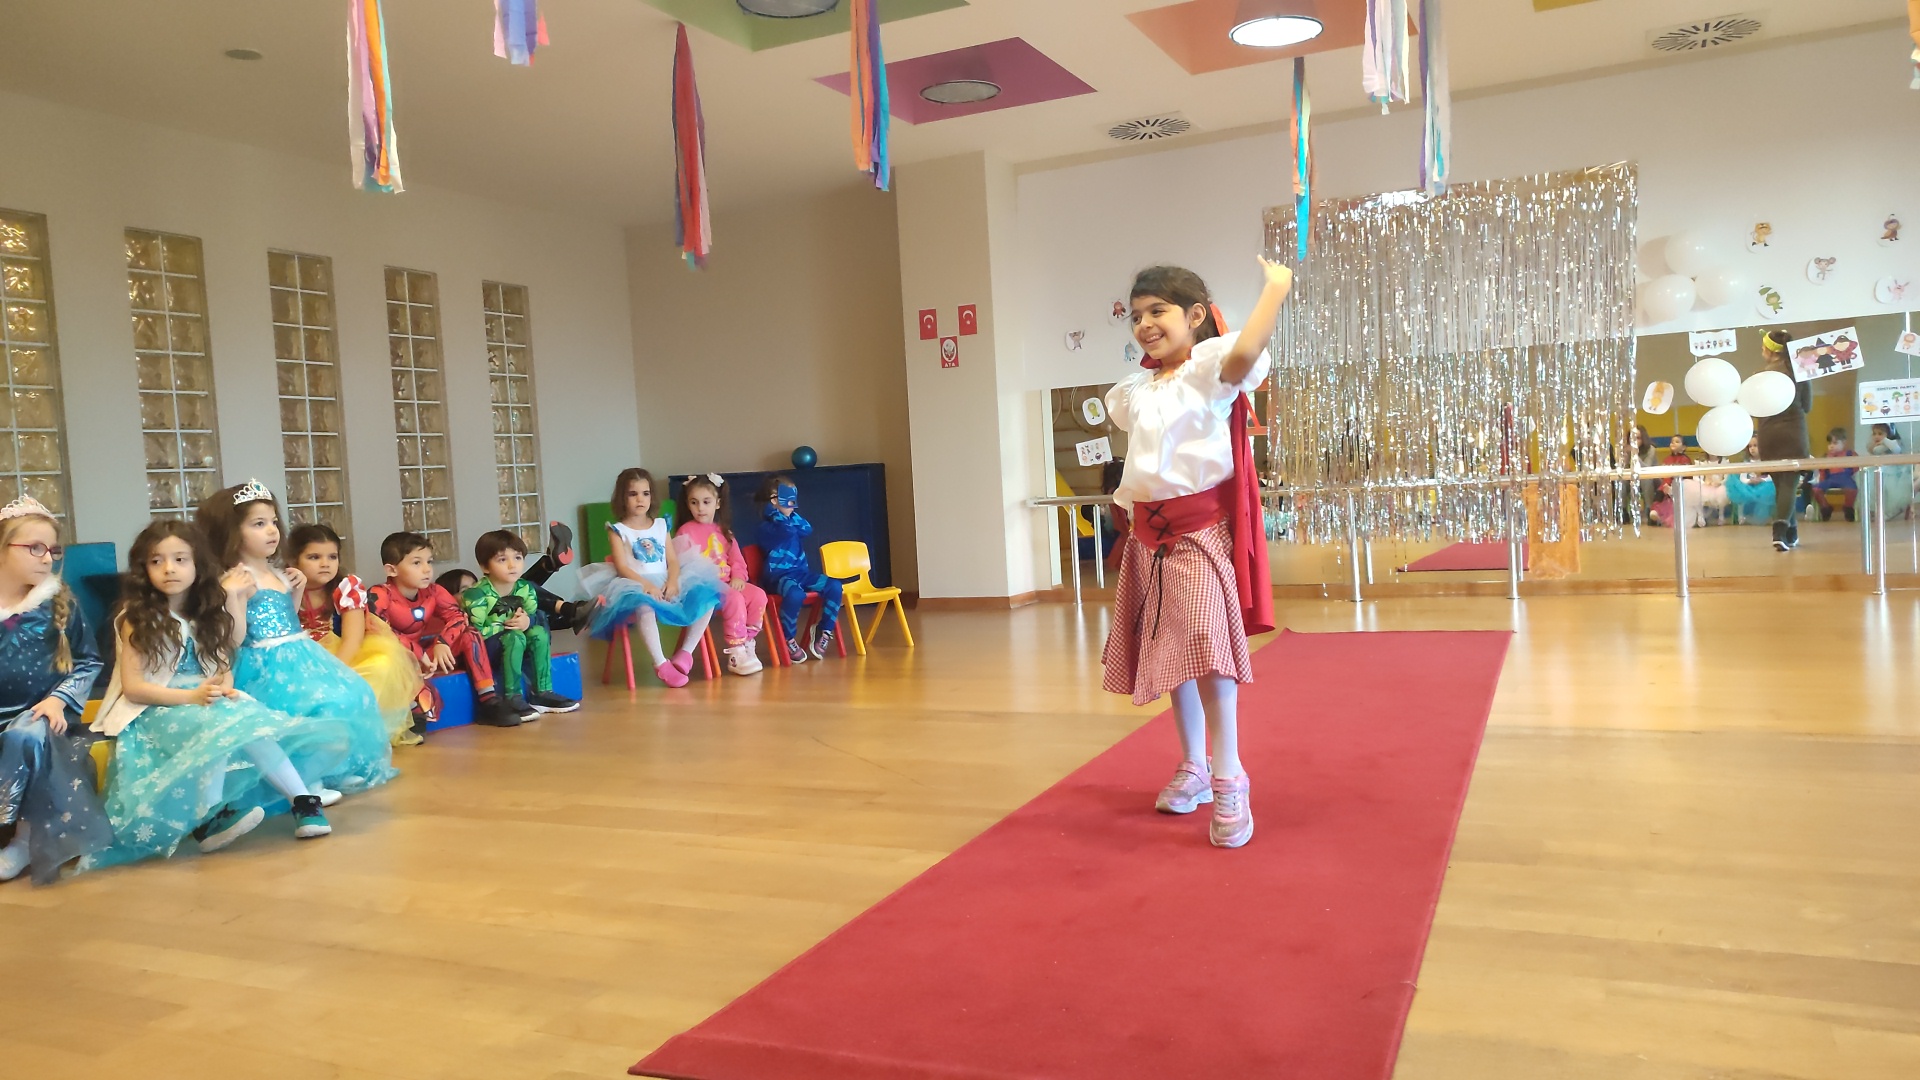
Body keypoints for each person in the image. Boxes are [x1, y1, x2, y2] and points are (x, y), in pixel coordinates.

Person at [1102, 259, 1289, 849]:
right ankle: (1194, 766)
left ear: (1196, 315)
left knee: (1207, 651)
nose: (1145, 324)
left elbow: (1245, 351)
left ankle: (1230, 776)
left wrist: (1275, 290)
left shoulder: (1209, 369)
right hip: (1147, 541)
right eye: (1137, 316)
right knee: (1170, 654)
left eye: (1158, 311)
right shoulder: (1135, 390)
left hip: (1199, 534)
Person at [84, 521, 350, 869]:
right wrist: (192, 697)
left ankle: (302, 800)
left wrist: (223, 685)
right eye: (157, 561)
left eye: (180, 559)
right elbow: (134, 688)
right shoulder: (138, 618)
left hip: (203, 699)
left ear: (197, 564)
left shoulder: (205, 614)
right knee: (220, 721)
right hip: (155, 708)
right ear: (142, 569)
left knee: (247, 718)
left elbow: (222, 665)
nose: (169, 569)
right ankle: (210, 815)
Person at [197, 480, 397, 800]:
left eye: (273, 521)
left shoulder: (277, 572)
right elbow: (234, 638)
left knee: (351, 696)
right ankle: (305, 782)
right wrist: (232, 597)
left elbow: (287, 620)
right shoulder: (236, 579)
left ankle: (330, 770)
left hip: (299, 654)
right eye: (258, 524)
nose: (272, 531)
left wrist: (298, 590)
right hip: (264, 665)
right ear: (233, 532)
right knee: (307, 717)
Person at [0, 496, 109, 884]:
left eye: (52, 550)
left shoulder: (58, 604)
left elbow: (89, 662)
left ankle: (21, 841)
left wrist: (58, 700)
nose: (47, 558)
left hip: (44, 717)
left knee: (27, 736)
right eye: (35, 548)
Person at [578, 469, 723, 688]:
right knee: (644, 606)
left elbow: (672, 560)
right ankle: (661, 663)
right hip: (635, 583)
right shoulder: (617, 530)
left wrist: (672, 581)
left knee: (707, 597)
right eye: (633, 494)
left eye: (645, 493)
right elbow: (622, 567)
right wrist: (646, 586)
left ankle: (685, 653)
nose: (640, 499)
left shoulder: (661, 525)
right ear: (622, 497)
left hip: (667, 579)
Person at [290, 523, 429, 745]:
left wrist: (331, 673)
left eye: (332, 557)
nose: (325, 564)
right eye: (314, 557)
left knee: (381, 665)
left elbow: (352, 639)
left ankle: (357, 733)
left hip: (339, 652)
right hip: (297, 653)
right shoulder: (284, 587)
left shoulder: (345, 587)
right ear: (293, 560)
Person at [369, 532, 525, 727]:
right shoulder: (379, 594)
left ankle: (488, 701)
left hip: (424, 658)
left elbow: (458, 617)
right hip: (393, 660)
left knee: (470, 633)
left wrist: (443, 642)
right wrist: (417, 653)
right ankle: (412, 713)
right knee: (388, 657)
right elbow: (379, 631)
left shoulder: (433, 591)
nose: (427, 569)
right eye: (417, 563)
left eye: (429, 562)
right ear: (392, 570)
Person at [459, 529, 581, 714]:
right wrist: (508, 628)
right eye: (502, 560)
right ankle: (512, 697)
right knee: (515, 637)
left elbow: (533, 615)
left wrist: (527, 621)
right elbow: (475, 633)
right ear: (485, 567)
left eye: (517, 558)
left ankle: (542, 693)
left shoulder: (525, 588)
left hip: (516, 642)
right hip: (485, 652)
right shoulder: (476, 594)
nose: (512, 565)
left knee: (538, 633)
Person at [675, 474, 766, 676]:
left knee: (758, 595)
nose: (700, 508)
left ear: (717, 503)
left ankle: (747, 641)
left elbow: (737, 561)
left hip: (728, 583)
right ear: (688, 504)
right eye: (694, 502)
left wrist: (738, 577)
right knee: (734, 597)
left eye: (706, 502)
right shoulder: (685, 531)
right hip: (705, 588)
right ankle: (735, 651)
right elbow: (683, 565)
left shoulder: (724, 532)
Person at [754, 476, 843, 664]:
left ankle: (824, 629)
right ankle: (787, 638)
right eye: (788, 498)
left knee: (834, 586)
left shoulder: (793, 522)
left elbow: (807, 529)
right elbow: (786, 531)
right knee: (795, 595)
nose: (793, 504)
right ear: (774, 500)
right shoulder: (767, 528)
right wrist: (773, 512)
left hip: (801, 574)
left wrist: (788, 513)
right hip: (778, 578)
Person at [1755, 330, 1813, 550]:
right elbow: (1807, 406)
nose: (1761, 350)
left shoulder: (1761, 376)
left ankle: (1790, 532)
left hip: (1768, 434)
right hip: (1792, 432)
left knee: (1781, 486)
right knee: (1789, 483)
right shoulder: (1800, 372)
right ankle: (1780, 531)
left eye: (1763, 347)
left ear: (1771, 351)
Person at [1810, 427, 1860, 522]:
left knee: (1852, 489)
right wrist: (1821, 481)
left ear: (1843, 443)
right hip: (1830, 479)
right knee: (1816, 489)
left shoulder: (1850, 454)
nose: (1831, 446)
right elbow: (1822, 471)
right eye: (1830, 443)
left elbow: (1856, 468)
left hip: (1845, 478)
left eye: (1835, 443)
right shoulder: (1826, 456)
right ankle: (1826, 507)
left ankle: (1848, 508)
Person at [1727, 435, 1776, 525]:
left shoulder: (1766, 461)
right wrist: (1749, 481)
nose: (1752, 449)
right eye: (1750, 446)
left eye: (1755, 446)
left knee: (1771, 489)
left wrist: (1762, 479)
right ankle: (1740, 516)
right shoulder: (1747, 462)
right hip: (1749, 486)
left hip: (1763, 485)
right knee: (1738, 485)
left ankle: (1773, 516)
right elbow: (1742, 478)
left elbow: (1772, 476)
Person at [1867, 423, 1913, 519]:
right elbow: (1874, 450)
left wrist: (1885, 440)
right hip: (1879, 470)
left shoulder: (1894, 442)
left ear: (1889, 434)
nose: (1876, 436)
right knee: (1873, 488)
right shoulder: (1875, 445)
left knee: (1891, 491)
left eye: (1880, 434)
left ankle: (1890, 512)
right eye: (1874, 434)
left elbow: (1896, 449)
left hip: (1894, 471)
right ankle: (1875, 511)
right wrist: (1879, 443)